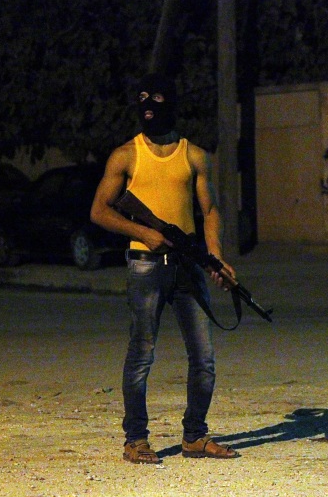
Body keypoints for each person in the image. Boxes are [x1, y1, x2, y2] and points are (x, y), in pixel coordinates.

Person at [90, 73, 239, 463]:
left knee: (203, 358)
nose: (148, 105)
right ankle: (135, 440)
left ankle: (195, 437)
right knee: (141, 354)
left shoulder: (194, 155)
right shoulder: (125, 154)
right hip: (145, 265)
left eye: (156, 98)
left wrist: (216, 256)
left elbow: (209, 211)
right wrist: (142, 232)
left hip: (188, 265)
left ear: (171, 104)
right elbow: (99, 210)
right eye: (141, 99)